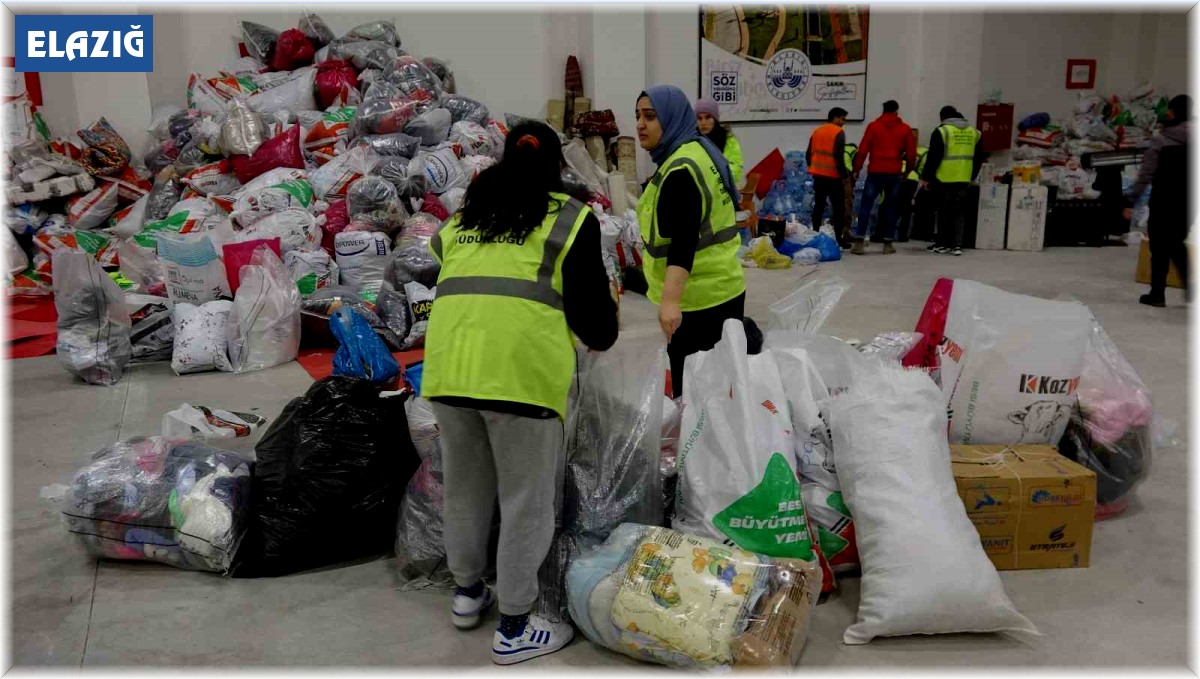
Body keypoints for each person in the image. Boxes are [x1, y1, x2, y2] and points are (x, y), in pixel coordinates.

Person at [422, 121, 619, 665]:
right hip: (520, 378)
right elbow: (598, 328)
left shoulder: (463, 220)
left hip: (449, 372)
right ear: (556, 165)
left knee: (466, 489)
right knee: (525, 502)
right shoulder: (569, 219)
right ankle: (514, 625)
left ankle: (466, 594)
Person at [635, 85, 745, 399]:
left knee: (696, 396)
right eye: (638, 116)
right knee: (717, 390)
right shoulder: (697, 151)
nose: (641, 124)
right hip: (722, 287)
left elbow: (683, 242)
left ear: (670, 119)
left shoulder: (680, 171)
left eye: (650, 116)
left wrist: (670, 302)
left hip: (699, 300)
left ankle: (699, 447)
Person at [1127, 94, 1191, 307]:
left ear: (1173, 112)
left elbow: (1146, 173)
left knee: (1161, 247)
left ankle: (1157, 294)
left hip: (1164, 200)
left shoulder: (1162, 140)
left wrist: (1133, 197)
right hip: (1189, 202)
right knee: (1176, 243)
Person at [850, 100, 917, 254]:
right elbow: (912, 154)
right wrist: (908, 171)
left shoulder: (874, 127)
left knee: (866, 205)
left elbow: (863, 149)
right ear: (897, 111)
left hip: (875, 172)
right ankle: (888, 243)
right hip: (894, 173)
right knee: (891, 207)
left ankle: (859, 242)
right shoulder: (905, 129)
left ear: (883, 110)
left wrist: (856, 169)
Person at [921, 105, 985, 256]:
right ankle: (957, 245)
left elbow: (933, 157)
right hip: (964, 178)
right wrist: (971, 175)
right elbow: (979, 158)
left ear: (943, 117)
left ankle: (942, 243)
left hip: (944, 178)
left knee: (943, 211)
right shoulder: (974, 133)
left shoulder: (942, 131)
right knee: (959, 212)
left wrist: (926, 177)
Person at [807, 108, 851, 245]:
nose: (844, 122)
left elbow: (808, 154)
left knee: (818, 207)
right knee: (838, 208)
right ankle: (839, 239)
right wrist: (845, 176)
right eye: (843, 119)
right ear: (836, 118)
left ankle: (815, 234)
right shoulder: (838, 132)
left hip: (818, 176)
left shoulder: (817, 131)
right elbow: (839, 157)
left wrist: (813, 167)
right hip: (833, 177)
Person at [695, 96, 745, 188]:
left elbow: (736, 170)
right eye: (699, 118)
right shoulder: (692, 140)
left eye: (708, 117)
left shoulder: (729, 140)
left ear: (715, 118)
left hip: (723, 190)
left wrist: (712, 176)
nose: (703, 122)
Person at [895, 128, 928, 242]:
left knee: (894, 207)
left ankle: (890, 233)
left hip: (898, 179)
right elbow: (923, 168)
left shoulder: (899, 149)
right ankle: (903, 235)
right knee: (907, 209)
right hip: (912, 181)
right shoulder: (922, 151)